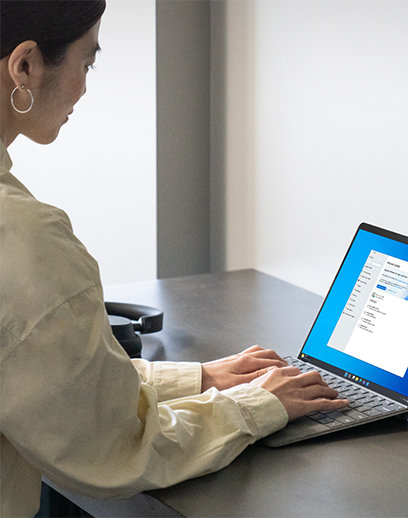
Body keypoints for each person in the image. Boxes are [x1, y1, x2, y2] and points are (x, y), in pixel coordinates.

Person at [0, 1, 347, 516]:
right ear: (24, 64)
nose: (83, 87)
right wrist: (253, 406)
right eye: (87, 63)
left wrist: (196, 379)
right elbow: (106, 446)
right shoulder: (26, 237)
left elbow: (38, 377)